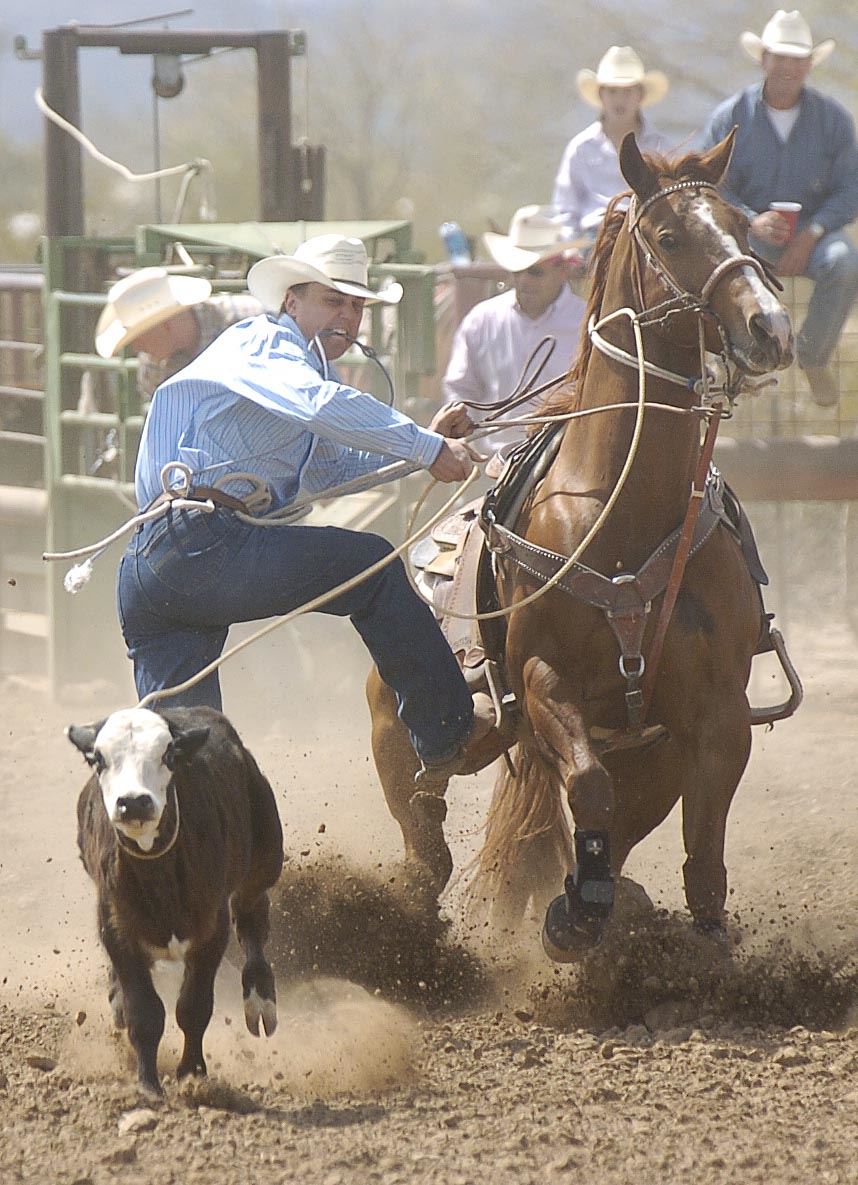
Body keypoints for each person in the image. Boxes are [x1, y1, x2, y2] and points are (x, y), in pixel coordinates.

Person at [117, 234, 497, 780]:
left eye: (356, 304)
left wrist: (421, 449)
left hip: (155, 570)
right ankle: (447, 732)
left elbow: (327, 473)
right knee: (375, 567)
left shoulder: (295, 367)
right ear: (292, 302)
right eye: (332, 300)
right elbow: (317, 405)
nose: (346, 315)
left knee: (190, 758)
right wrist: (426, 447)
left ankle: (184, 853)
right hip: (201, 543)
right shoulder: (267, 342)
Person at [701, 9, 858, 408]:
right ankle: (732, 366)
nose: (788, 66)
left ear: (808, 64)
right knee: (714, 274)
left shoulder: (833, 120)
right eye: (780, 57)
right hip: (745, 241)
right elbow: (710, 186)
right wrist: (752, 220)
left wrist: (814, 231)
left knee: (843, 262)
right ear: (763, 59)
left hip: (813, 238)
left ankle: (812, 354)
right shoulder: (730, 117)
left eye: (797, 58)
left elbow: (851, 187)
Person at [443, 205, 586, 454]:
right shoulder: (482, 320)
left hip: (565, 458)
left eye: (534, 271)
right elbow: (460, 390)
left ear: (563, 270)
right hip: (493, 462)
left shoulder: (588, 323)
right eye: (517, 271)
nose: (523, 280)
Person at [552, 45, 671, 245]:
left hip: (646, 236)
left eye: (627, 92)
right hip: (594, 238)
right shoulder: (582, 147)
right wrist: (569, 248)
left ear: (640, 95)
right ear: (601, 95)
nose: (619, 100)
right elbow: (565, 209)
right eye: (613, 92)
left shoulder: (660, 146)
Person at [95, 267, 263, 399]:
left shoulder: (254, 321)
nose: (136, 348)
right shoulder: (153, 368)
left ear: (165, 326)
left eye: (139, 337)